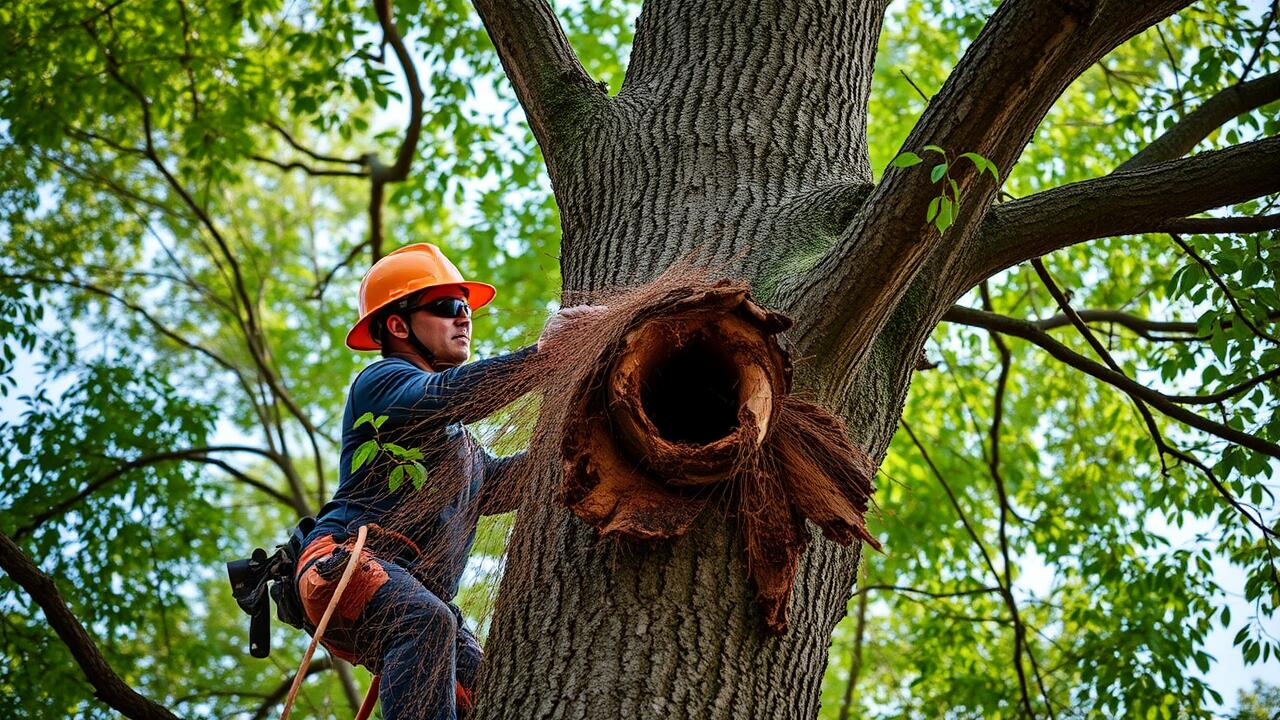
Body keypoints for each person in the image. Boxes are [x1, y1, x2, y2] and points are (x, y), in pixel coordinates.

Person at [295, 242, 571, 720]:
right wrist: (544, 356)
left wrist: (581, 445)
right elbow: (447, 397)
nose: (464, 318)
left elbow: (506, 482)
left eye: (465, 308)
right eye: (446, 307)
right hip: (348, 565)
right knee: (426, 622)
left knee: (493, 690)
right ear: (398, 326)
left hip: (413, 596)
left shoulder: (461, 447)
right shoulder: (382, 382)